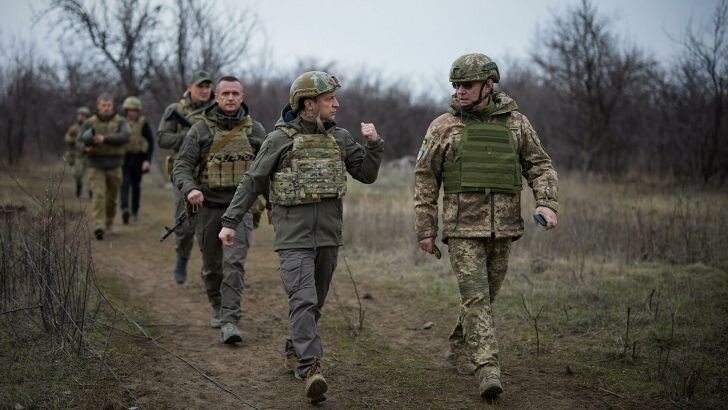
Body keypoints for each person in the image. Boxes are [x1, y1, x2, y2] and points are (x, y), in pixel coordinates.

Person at [218, 71, 384, 404]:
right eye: (328, 99)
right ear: (309, 104)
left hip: (328, 236)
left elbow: (366, 175)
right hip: (293, 237)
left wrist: (374, 145)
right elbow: (252, 182)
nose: (335, 104)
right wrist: (230, 221)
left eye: (334, 99)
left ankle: (295, 348)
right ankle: (310, 369)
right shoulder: (279, 140)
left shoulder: (340, 138)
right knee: (303, 299)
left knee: (314, 302)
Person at [414, 53, 559, 399]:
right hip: (462, 230)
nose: (460, 91)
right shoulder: (443, 127)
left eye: (467, 85)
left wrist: (547, 202)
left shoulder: (516, 124)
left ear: (488, 85)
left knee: (486, 297)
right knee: (476, 298)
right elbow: (424, 179)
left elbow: (540, 165)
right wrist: (426, 228)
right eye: (456, 85)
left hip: (504, 228)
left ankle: (459, 344)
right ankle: (488, 369)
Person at [173, 76, 266, 344]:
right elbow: (182, 166)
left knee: (234, 263)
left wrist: (272, 203)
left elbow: (267, 170)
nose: (230, 98)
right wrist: (190, 189)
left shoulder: (255, 130)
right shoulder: (200, 130)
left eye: (235, 93)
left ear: (242, 96)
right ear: (216, 97)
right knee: (212, 267)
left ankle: (230, 320)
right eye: (225, 93)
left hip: (241, 210)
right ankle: (217, 305)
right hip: (208, 208)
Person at [158, 70, 215, 284]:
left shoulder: (217, 110)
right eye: (200, 86)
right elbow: (162, 138)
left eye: (207, 86)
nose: (204, 90)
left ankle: (210, 270)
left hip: (211, 175)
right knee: (183, 225)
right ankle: (182, 259)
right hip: (184, 174)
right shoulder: (176, 110)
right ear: (190, 86)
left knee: (211, 225)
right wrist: (189, 136)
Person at [77, 94, 131, 240]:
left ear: (112, 106)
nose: (106, 108)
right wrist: (85, 148)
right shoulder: (89, 122)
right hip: (96, 164)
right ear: (98, 106)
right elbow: (79, 141)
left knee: (112, 197)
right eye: (103, 105)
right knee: (98, 195)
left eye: (108, 105)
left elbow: (126, 136)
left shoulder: (121, 121)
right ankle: (98, 226)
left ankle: (108, 222)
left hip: (115, 164)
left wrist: (105, 138)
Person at [120, 96, 154, 224]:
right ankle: (124, 209)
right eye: (130, 110)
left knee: (136, 187)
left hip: (139, 158)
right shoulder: (121, 123)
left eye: (135, 110)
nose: (132, 113)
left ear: (138, 111)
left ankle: (134, 212)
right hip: (124, 158)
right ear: (126, 110)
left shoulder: (143, 123)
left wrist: (147, 160)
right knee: (124, 184)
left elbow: (150, 142)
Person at [64, 106, 91, 198]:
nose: (81, 117)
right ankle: (79, 187)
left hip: (90, 155)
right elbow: (67, 139)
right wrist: (77, 140)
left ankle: (91, 193)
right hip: (78, 155)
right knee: (77, 175)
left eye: (83, 115)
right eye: (80, 115)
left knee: (91, 177)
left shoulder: (91, 127)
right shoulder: (73, 128)